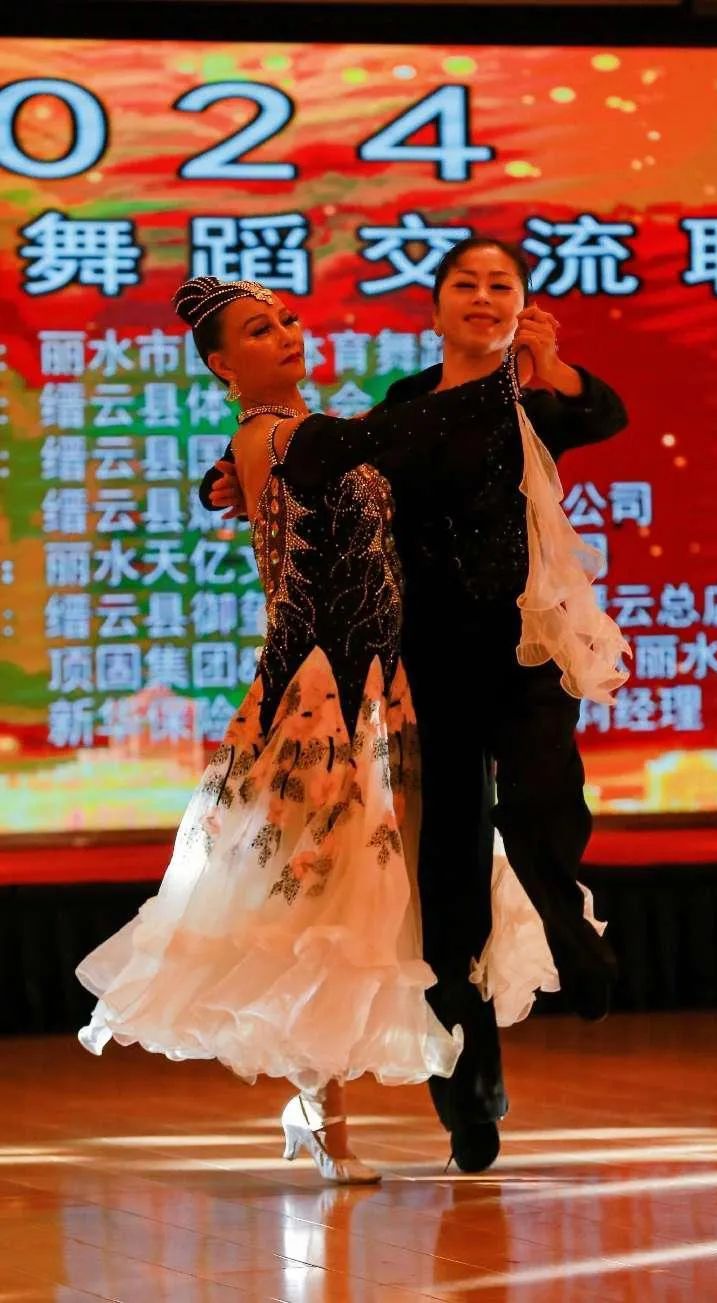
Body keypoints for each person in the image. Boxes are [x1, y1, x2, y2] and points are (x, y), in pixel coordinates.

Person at [77, 275, 531, 1185]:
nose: (286, 332)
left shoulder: (301, 430)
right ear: (222, 366)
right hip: (317, 699)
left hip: (378, 693)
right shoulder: (274, 436)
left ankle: (330, 1107)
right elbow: (366, 451)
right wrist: (494, 374)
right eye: (259, 330)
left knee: (365, 898)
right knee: (318, 903)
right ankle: (323, 1115)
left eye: (286, 318)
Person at [200, 239, 629, 1173]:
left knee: (538, 812)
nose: (484, 297)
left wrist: (545, 371)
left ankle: (572, 932)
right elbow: (336, 459)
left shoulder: (535, 396)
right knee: (435, 896)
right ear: (433, 309)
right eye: (465, 284)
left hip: (521, 651)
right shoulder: (399, 406)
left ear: (523, 303)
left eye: (501, 285)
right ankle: (460, 1097)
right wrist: (239, 474)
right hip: (416, 671)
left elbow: (603, 414)